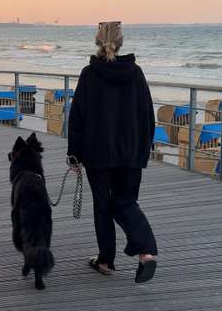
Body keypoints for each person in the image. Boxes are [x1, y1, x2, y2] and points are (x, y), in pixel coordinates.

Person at [67, 21, 157, 283]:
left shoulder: (89, 74)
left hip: (98, 154)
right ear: (121, 41)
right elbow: (148, 117)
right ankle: (146, 256)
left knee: (103, 206)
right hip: (130, 154)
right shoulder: (136, 73)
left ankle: (105, 260)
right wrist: (143, 150)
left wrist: (74, 155)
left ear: (98, 41)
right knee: (126, 202)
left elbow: (78, 118)